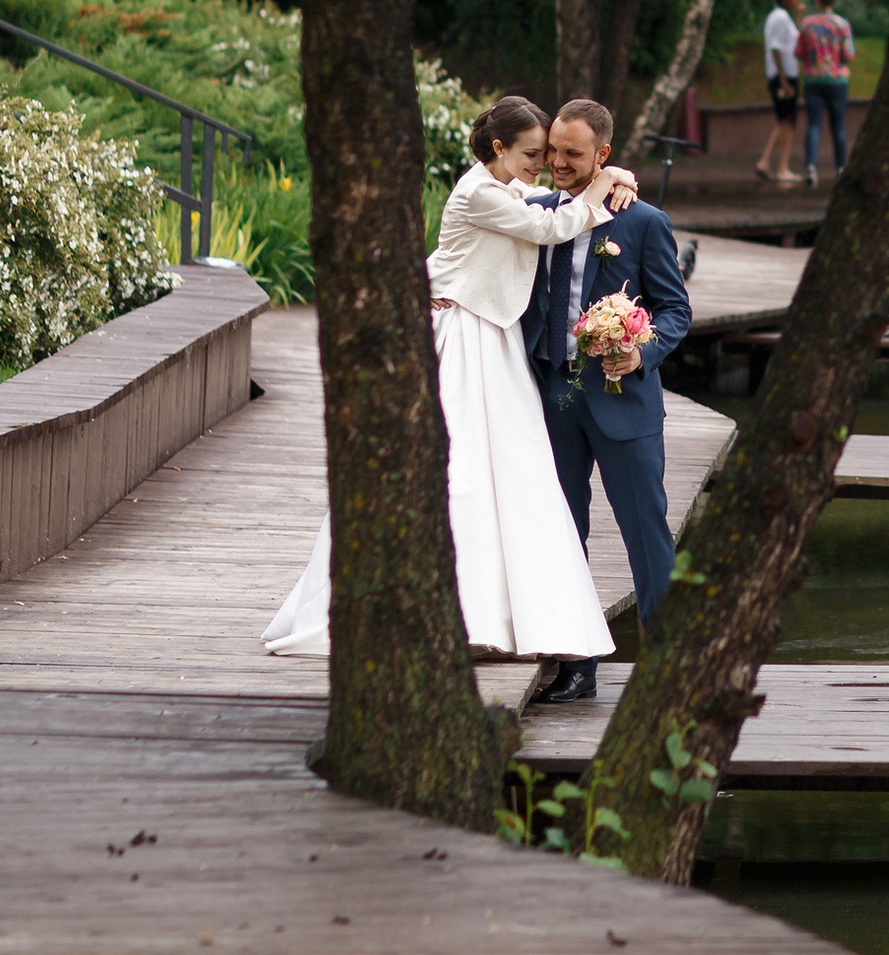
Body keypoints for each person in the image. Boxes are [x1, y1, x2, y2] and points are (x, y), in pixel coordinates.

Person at [263, 95, 636, 665]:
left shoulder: (505, 186)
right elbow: (552, 226)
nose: (541, 165)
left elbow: (538, 206)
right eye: (532, 154)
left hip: (492, 336)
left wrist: (615, 172)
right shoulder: (479, 193)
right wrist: (603, 182)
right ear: (499, 148)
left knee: (507, 467)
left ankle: (488, 616)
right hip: (462, 335)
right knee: (455, 470)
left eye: (546, 155)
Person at [523, 97, 694, 703]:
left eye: (572, 154)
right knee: (561, 532)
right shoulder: (536, 213)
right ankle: (577, 665)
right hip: (555, 393)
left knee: (646, 533)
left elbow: (675, 310)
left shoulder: (643, 221)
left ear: (603, 155)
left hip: (624, 398)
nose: (558, 163)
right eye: (552, 151)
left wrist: (642, 352)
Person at [796, 0, 856, 187]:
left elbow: (799, 52)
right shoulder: (842, 24)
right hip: (837, 80)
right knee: (838, 126)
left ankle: (811, 168)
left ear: (817, 0)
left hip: (813, 78)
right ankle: (840, 168)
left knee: (814, 125)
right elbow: (849, 54)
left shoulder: (806, 24)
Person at [757, 0, 804, 184]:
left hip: (785, 74)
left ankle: (766, 162)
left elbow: (793, 40)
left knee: (785, 121)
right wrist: (783, 80)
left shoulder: (784, 18)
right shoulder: (780, 17)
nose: (797, 1)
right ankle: (781, 167)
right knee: (786, 121)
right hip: (783, 76)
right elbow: (776, 49)